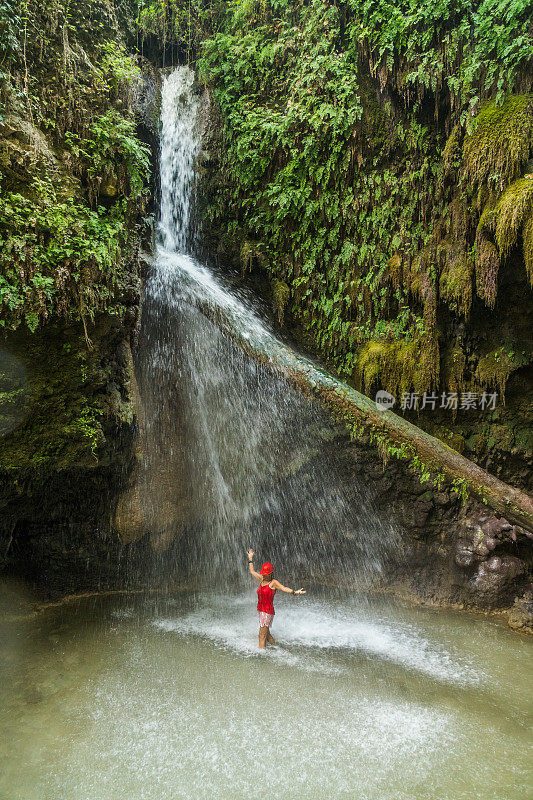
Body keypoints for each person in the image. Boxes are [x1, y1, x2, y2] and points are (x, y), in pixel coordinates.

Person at [247, 549, 306, 649]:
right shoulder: (262, 579)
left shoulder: (273, 583)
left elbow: (283, 588)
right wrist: (250, 558)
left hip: (267, 612)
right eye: (263, 574)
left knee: (261, 636)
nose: (264, 576)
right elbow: (252, 571)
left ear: (270, 574)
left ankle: (261, 658)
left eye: (265, 574)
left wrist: (294, 592)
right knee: (267, 634)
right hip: (262, 611)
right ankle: (276, 648)